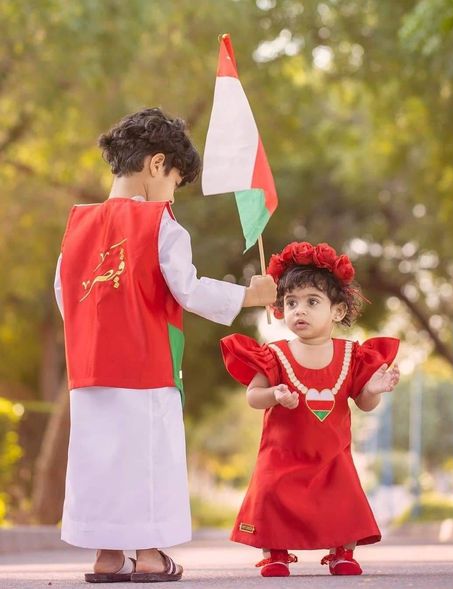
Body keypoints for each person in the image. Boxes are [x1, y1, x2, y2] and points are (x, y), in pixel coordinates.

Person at [54, 106, 276, 583]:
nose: (173, 192)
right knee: (149, 457)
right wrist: (249, 295)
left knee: (97, 458)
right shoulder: (162, 225)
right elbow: (188, 289)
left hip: (90, 368)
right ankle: (152, 555)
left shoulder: (76, 228)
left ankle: (107, 556)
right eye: (176, 180)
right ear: (157, 165)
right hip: (145, 364)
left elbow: (63, 294)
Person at [220, 241, 400, 577]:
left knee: (341, 494)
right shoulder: (274, 354)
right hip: (282, 455)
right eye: (291, 303)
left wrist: (373, 390)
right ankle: (275, 551)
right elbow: (253, 395)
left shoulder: (352, 355)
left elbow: (363, 402)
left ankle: (342, 551)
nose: (299, 310)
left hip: (331, 455)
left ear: (338, 311)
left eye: (311, 302)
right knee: (273, 492)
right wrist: (273, 394)